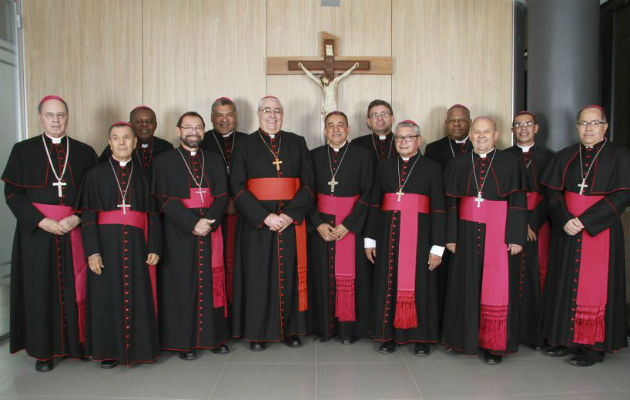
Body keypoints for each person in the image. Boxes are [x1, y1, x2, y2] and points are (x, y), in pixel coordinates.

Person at [2, 95, 98, 371]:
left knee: (75, 287)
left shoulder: (83, 151)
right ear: (40, 118)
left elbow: (93, 194)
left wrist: (76, 218)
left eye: (61, 115)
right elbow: (12, 194)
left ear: (68, 117)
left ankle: (76, 344)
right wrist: (39, 221)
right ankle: (43, 351)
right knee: (39, 290)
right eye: (50, 115)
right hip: (37, 233)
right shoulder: (23, 150)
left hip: (72, 231)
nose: (56, 120)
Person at [540, 105, 629, 367]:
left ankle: (592, 346)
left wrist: (585, 221)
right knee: (563, 282)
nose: (588, 129)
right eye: (583, 124)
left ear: (605, 127)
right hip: (567, 229)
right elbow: (552, 193)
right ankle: (563, 338)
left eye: (594, 123)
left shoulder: (620, 157)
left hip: (600, 230)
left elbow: (622, 195)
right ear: (577, 127)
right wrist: (565, 219)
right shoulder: (565, 156)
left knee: (595, 287)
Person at [231, 96, 315, 351]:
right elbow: (236, 186)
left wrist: (289, 215)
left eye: (277, 110)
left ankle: (290, 330)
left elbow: (309, 185)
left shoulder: (297, 142)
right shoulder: (244, 144)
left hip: (290, 223)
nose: (272, 115)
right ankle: (257, 333)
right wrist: (264, 217)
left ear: (283, 114)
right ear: (258, 114)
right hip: (258, 224)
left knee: (289, 276)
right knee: (258, 277)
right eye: (267, 110)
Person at [441, 116, 527, 365]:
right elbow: (451, 204)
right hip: (466, 232)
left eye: (486, 132)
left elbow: (519, 202)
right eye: (476, 132)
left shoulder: (511, 163)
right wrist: (451, 236)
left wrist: (515, 237)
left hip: (499, 233)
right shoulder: (458, 163)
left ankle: (493, 344)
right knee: (465, 284)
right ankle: (463, 339)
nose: (480, 136)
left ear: (495, 135)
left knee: (495, 288)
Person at [78, 122, 160, 368]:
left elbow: (154, 216)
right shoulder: (94, 175)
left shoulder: (145, 175)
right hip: (105, 245)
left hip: (137, 246)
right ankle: (109, 351)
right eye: (116, 138)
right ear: (110, 143)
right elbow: (89, 217)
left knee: (139, 295)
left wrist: (154, 247)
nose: (122, 143)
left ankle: (140, 350)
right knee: (105, 297)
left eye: (127, 138)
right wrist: (92, 252)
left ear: (134, 142)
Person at [151, 111, 230, 360]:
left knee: (212, 282)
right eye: (188, 127)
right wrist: (192, 224)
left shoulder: (214, 159)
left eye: (198, 127)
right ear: (178, 131)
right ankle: (183, 343)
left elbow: (222, 197)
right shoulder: (164, 161)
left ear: (204, 131)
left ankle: (213, 339)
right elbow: (163, 199)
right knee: (181, 287)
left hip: (211, 230)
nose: (193, 131)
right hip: (178, 234)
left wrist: (208, 223)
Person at [364, 120, 445, 356]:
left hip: (421, 239)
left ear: (419, 140)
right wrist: (370, 239)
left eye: (409, 137)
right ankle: (389, 335)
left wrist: (438, 246)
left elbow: (439, 209)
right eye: (399, 138)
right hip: (387, 235)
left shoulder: (432, 168)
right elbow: (374, 204)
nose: (403, 142)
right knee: (388, 283)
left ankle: (422, 338)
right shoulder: (384, 167)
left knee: (421, 285)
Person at [307, 111, 373, 344]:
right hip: (322, 226)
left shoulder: (363, 155)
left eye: (340, 125)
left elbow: (368, 194)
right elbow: (306, 194)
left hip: (349, 226)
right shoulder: (313, 156)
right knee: (321, 276)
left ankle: (348, 331)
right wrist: (317, 223)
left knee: (351, 277)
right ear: (324, 130)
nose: (336, 130)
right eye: (331, 126)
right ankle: (323, 329)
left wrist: (349, 225)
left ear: (348, 129)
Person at [505, 111, 554, 350]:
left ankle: (538, 333)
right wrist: (519, 223)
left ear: (536, 128)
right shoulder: (504, 157)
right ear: (512, 130)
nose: (523, 129)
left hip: (540, 225)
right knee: (510, 276)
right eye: (518, 125)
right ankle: (510, 329)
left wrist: (531, 222)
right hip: (510, 223)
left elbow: (552, 195)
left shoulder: (550, 158)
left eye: (527, 124)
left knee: (539, 274)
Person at [200, 97, 247, 309]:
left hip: (244, 214)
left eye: (229, 115)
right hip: (212, 214)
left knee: (242, 264)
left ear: (236, 117)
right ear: (211, 118)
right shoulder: (201, 142)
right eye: (219, 115)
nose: (224, 120)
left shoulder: (249, 141)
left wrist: (238, 201)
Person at [99, 106, 173, 169]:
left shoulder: (166, 147)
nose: (144, 124)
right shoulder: (117, 148)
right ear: (130, 125)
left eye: (149, 121)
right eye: (138, 121)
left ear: (155, 125)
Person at [351, 100, 398, 164]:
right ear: (369, 121)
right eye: (374, 115)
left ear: (392, 119)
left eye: (384, 114)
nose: (380, 118)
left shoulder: (403, 142)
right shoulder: (357, 144)